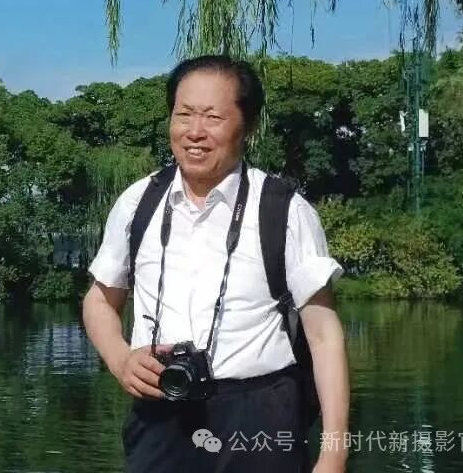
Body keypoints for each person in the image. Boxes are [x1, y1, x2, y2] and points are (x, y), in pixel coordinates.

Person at [82, 55, 350, 472]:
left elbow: (323, 335)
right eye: (183, 114)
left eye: (213, 117)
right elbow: (100, 300)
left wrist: (334, 452)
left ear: (249, 126)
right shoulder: (138, 202)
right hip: (160, 411)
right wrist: (120, 360)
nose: (195, 131)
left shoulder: (283, 210)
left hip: (259, 416)